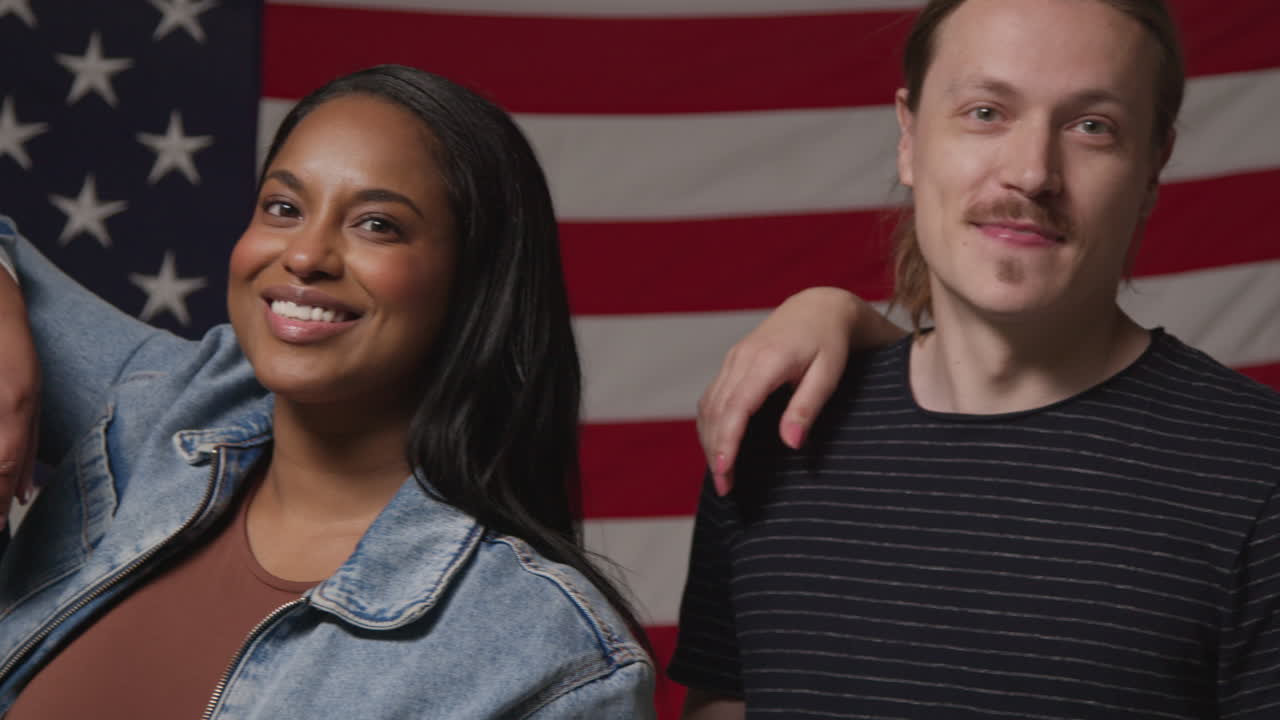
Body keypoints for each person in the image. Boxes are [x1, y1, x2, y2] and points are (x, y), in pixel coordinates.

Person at [670, 0, 1280, 718]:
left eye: (1092, 126)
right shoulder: (780, 427)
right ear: (908, 137)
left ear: (1151, 169)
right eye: (987, 112)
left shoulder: (1257, 474)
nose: (1031, 173)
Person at [0, 65, 654, 718]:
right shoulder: (167, 413)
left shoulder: (550, 657)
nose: (307, 254)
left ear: (476, 284)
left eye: (377, 225)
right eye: (283, 208)